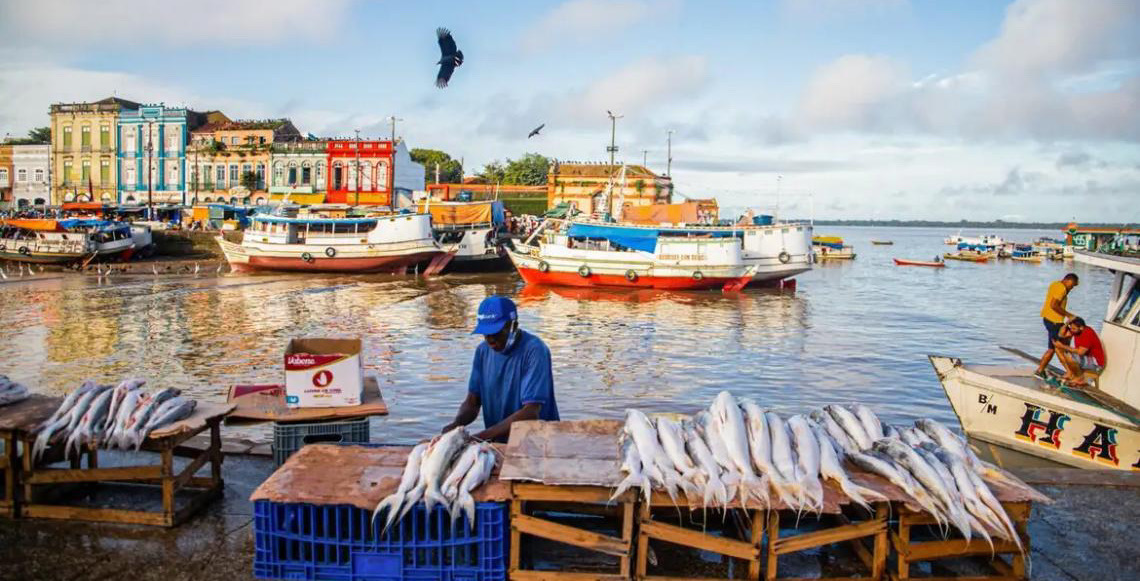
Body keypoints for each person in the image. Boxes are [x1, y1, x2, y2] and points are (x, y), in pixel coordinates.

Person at [442, 296, 559, 442]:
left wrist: (481, 437)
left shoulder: (535, 351)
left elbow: (531, 411)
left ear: (513, 326)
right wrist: (456, 424)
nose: (491, 340)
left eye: (497, 333)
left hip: (537, 442)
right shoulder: (482, 352)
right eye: (486, 334)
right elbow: (473, 402)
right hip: (497, 442)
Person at [1035, 273, 1079, 380]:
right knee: (1058, 348)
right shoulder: (1062, 289)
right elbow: (1054, 305)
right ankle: (1069, 373)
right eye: (1072, 285)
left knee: (1053, 348)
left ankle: (1040, 370)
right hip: (1054, 321)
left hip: (1048, 318)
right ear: (1067, 280)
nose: (1071, 288)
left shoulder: (1055, 284)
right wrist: (1069, 315)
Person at [1053, 317, 1106, 387]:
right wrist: (1066, 324)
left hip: (1095, 363)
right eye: (1071, 328)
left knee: (1069, 355)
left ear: (1081, 327)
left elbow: (1081, 352)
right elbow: (1061, 335)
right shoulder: (1077, 330)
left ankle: (1079, 378)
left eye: (1073, 329)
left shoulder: (1088, 333)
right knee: (1058, 349)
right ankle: (1070, 373)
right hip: (1085, 358)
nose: (1072, 330)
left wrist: (1063, 346)